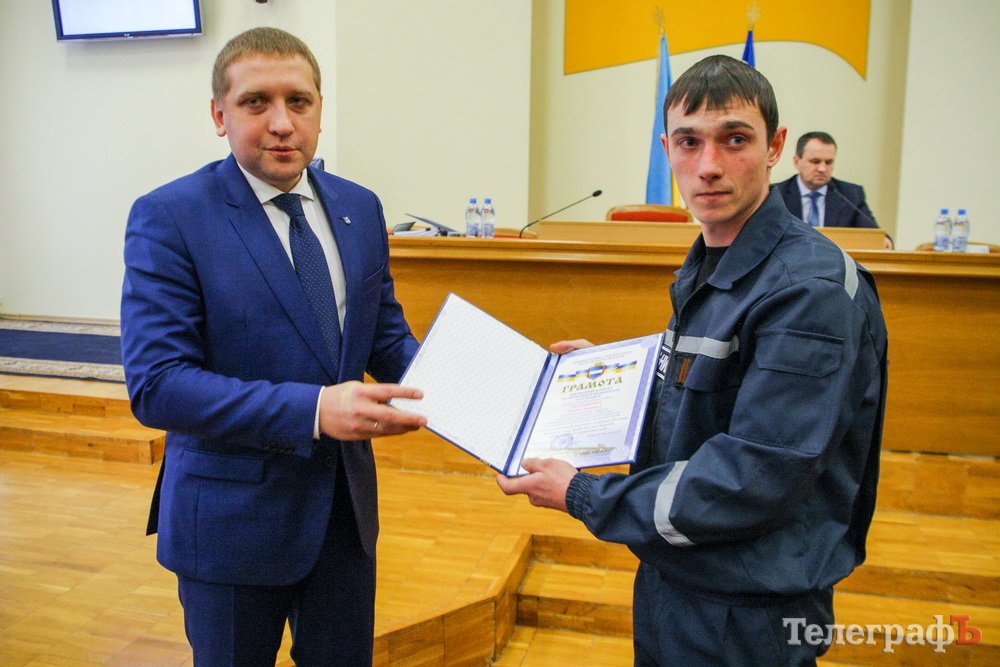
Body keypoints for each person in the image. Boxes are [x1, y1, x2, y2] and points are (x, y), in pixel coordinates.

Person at [498, 55, 888, 666]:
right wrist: (619, 374)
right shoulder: (717, 258)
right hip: (682, 575)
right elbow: (711, 386)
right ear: (667, 150)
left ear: (775, 147)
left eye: (734, 139)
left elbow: (753, 476)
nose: (708, 165)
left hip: (748, 606)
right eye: (689, 142)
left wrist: (583, 494)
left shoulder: (809, 291)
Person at [120, 27, 426, 666]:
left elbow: (387, 339)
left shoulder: (359, 207)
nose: (282, 123)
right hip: (229, 525)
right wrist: (314, 410)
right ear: (219, 115)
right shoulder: (171, 216)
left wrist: (521, 384)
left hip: (343, 520)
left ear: (319, 109)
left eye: (299, 101)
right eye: (256, 102)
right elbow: (158, 384)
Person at [776, 131, 893, 248]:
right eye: (815, 161)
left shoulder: (850, 194)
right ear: (797, 162)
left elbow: (874, 235)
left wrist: (885, 240)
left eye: (828, 162)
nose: (822, 169)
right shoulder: (777, 193)